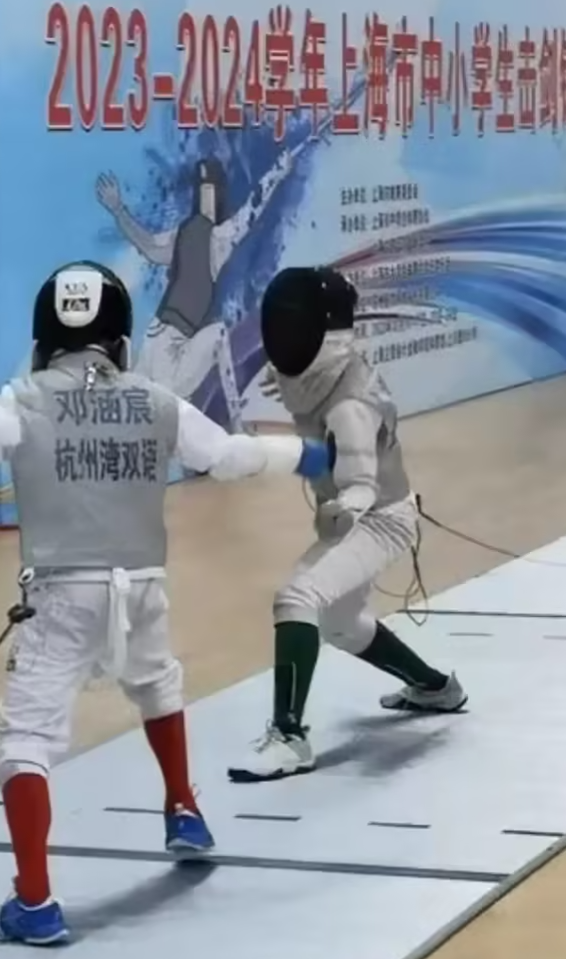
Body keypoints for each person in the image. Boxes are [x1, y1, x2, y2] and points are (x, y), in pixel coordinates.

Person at [0, 260, 335, 946]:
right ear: (118, 339)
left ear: (44, 339)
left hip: (63, 593)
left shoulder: (25, 400)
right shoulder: (153, 399)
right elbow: (229, 456)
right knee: (156, 683)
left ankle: (34, 902)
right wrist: (305, 455)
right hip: (142, 584)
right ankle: (183, 807)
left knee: (25, 740)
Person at [227, 264, 467, 784]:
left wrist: (343, 510)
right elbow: (312, 412)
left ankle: (289, 737)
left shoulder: (350, 405)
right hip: (359, 514)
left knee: (298, 597)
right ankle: (436, 688)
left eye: (294, 323)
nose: (284, 335)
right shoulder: (318, 375)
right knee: (342, 624)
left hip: (378, 518)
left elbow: (361, 483)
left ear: (323, 330)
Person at [96, 151, 294, 432]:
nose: (206, 195)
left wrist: (278, 169)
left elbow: (253, 205)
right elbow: (149, 245)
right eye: (203, 188)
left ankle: (233, 424)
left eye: (208, 188)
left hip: (161, 344)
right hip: (160, 350)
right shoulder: (195, 237)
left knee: (135, 416)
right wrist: (118, 210)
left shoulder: (214, 238)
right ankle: (236, 424)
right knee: (217, 337)